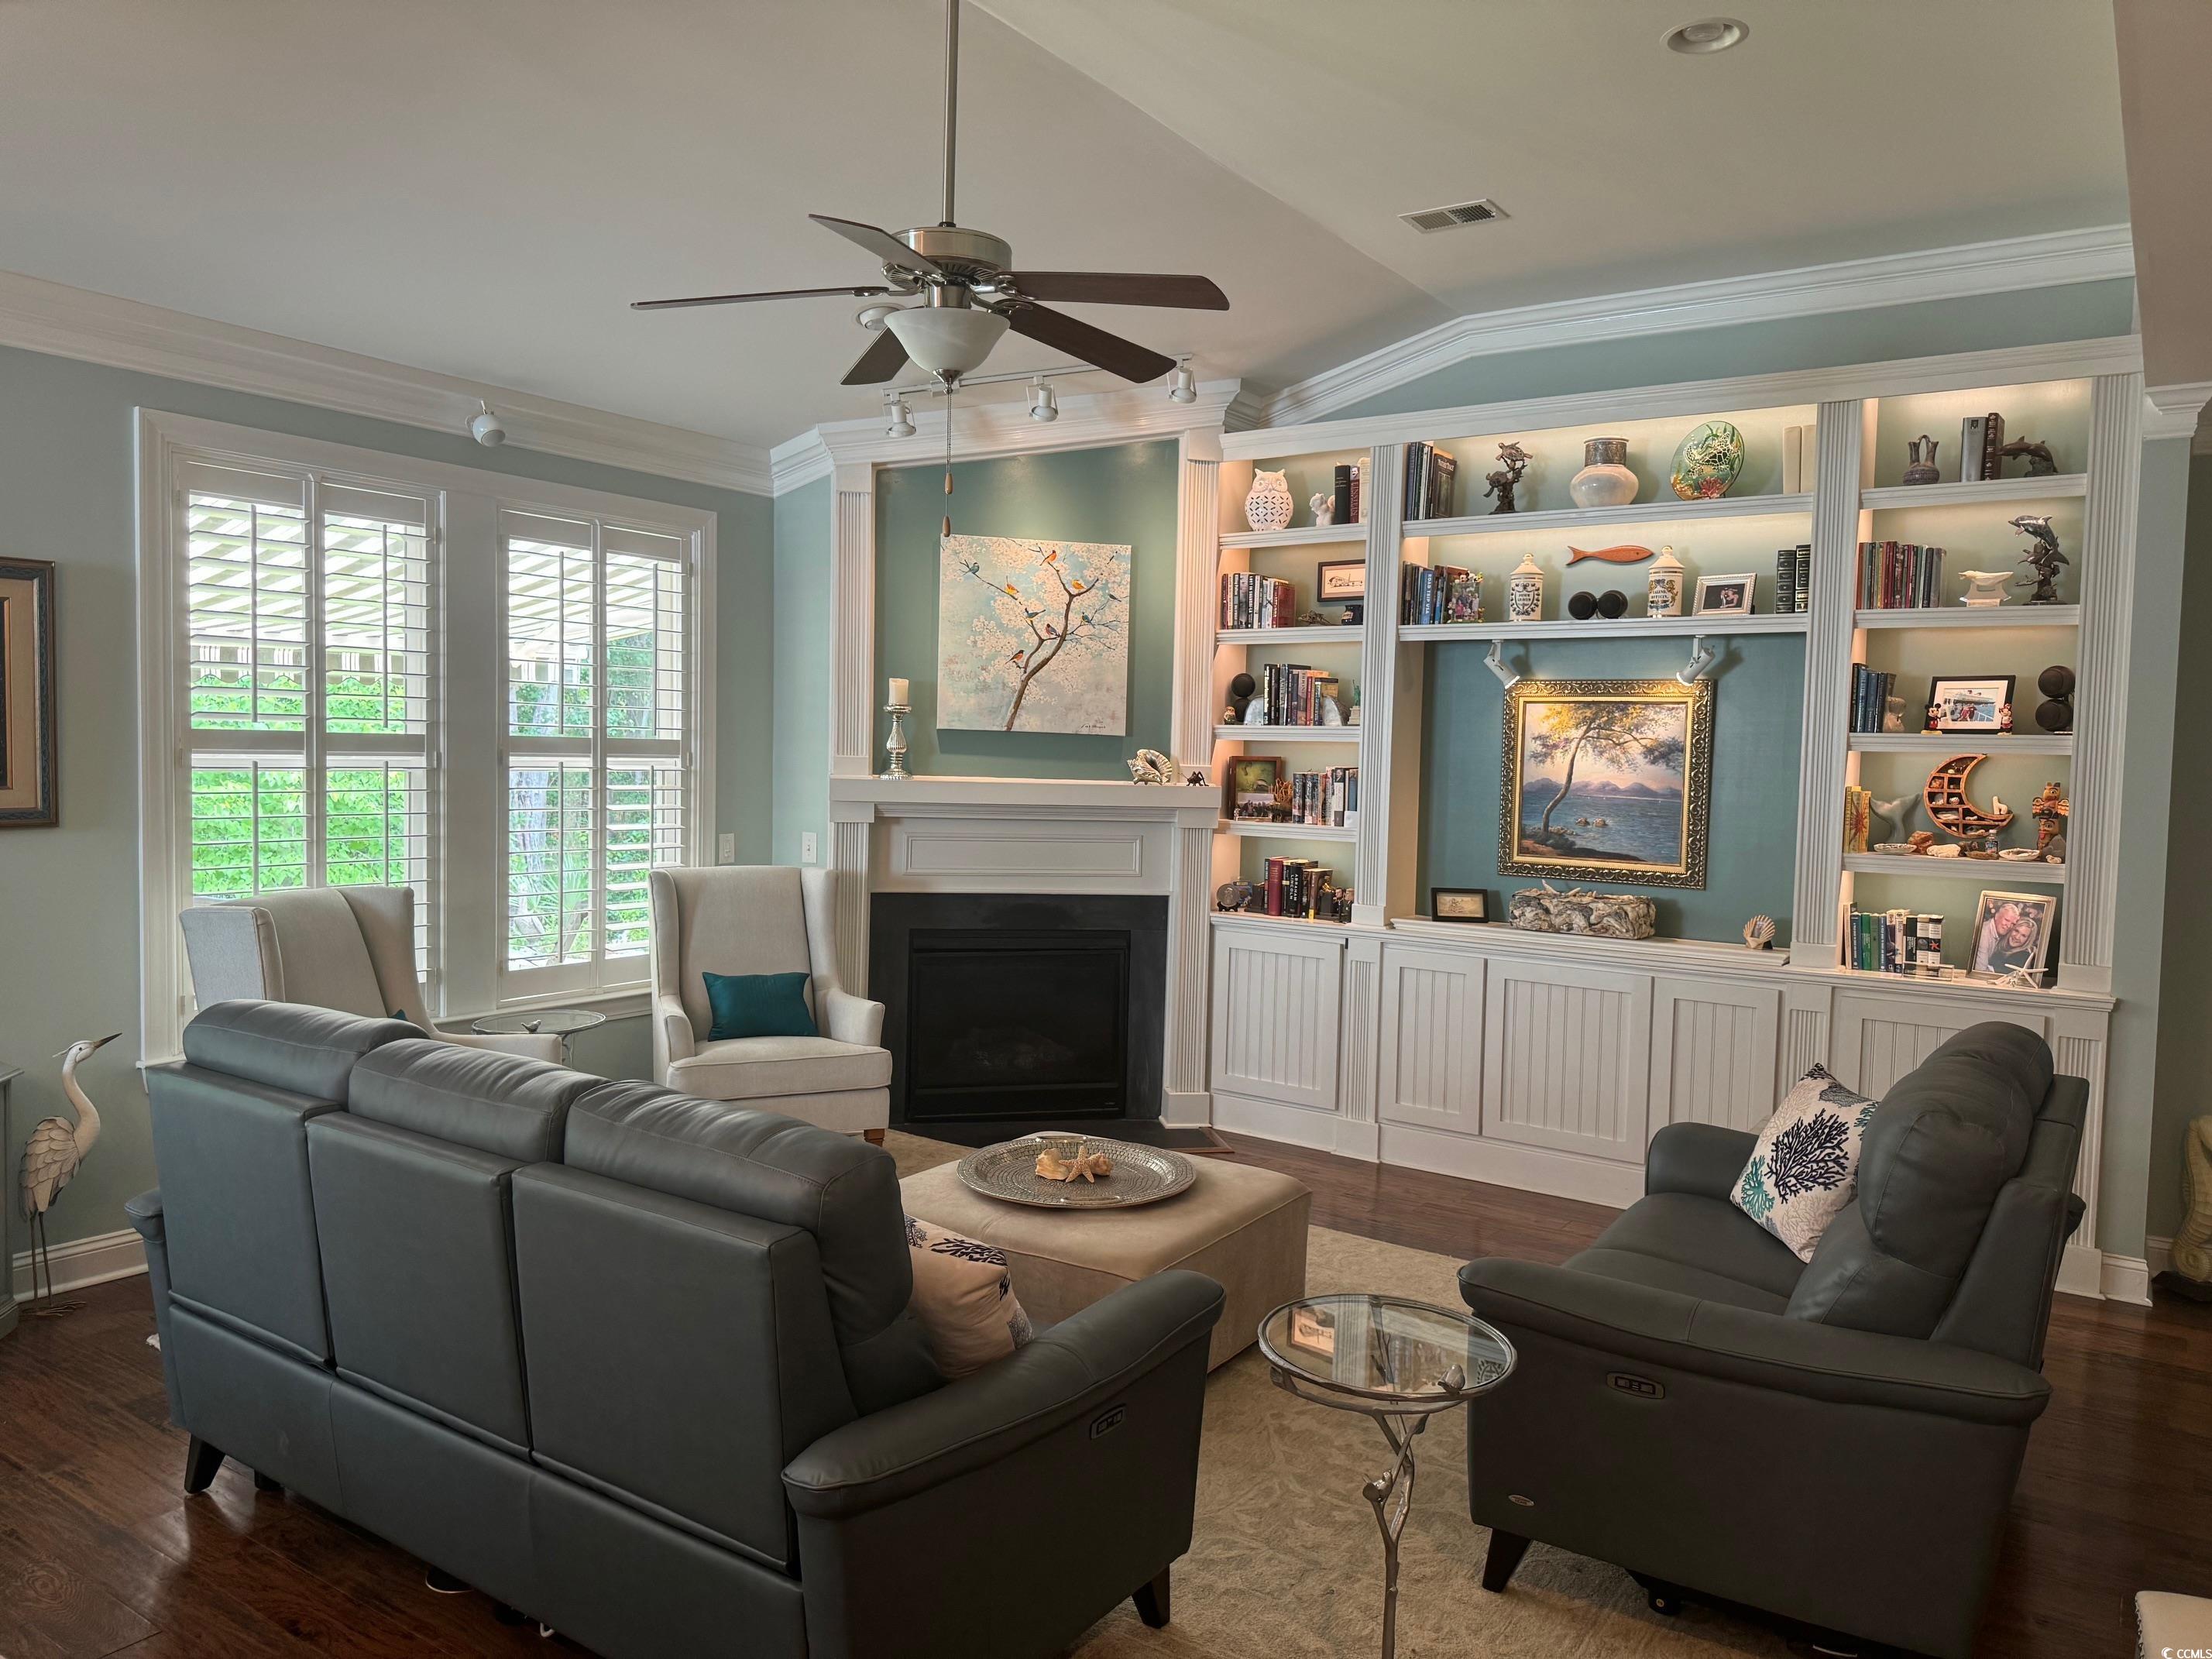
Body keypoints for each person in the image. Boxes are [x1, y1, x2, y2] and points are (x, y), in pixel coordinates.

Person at [1973, 898, 2044, 975]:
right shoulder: (2000, 942)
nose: (2017, 937)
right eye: (2016, 931)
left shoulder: (2022, 956)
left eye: (2023, 936)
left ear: (2028, 940)